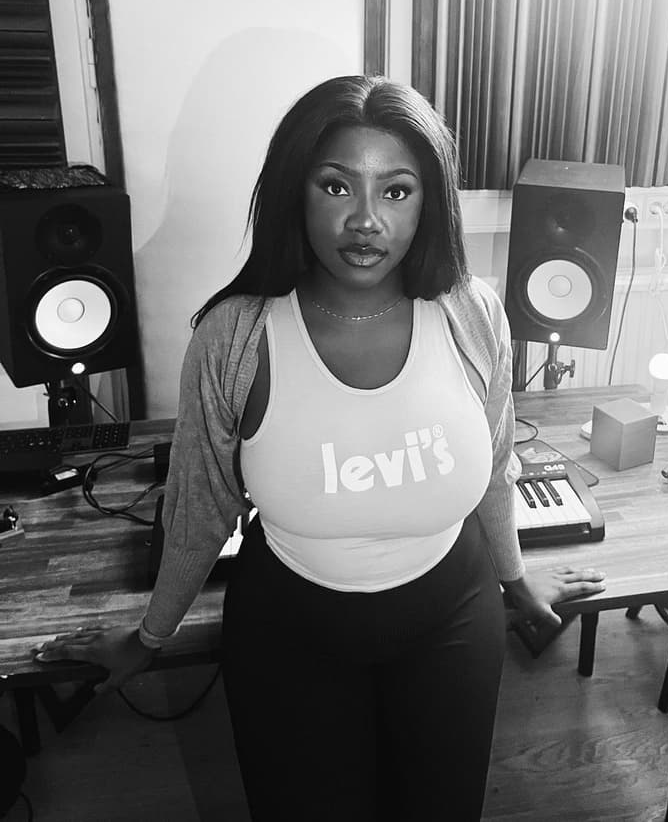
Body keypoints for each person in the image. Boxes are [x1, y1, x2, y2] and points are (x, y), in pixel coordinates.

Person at [34, 75, 605, 821]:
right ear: (294, 193)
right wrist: (150, 636)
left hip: (454, 619)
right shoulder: (234, 335)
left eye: (396, 190)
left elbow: (496, 466)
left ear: (429, 202)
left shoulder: (471, 311)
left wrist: (517, 580)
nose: (366, 219)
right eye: (337, 186)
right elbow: (201, 506)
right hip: (290, 637)